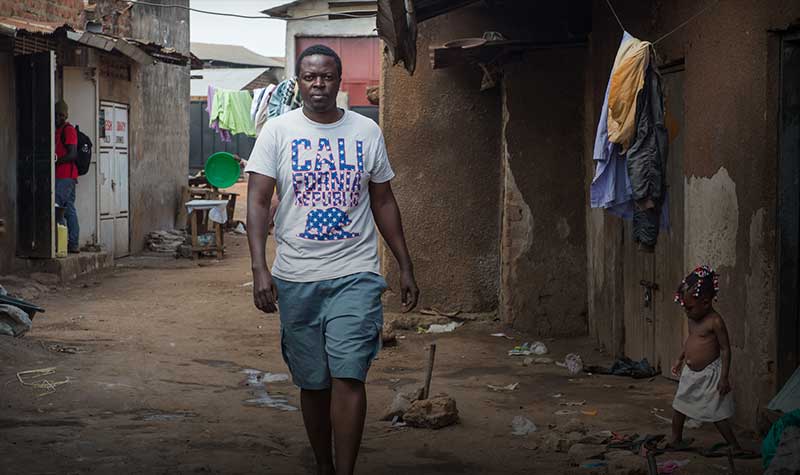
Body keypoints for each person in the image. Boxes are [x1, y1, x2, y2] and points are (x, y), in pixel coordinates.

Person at [245, 45, 419, 475]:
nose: (318, 85)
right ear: (298, 82)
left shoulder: (366, 132)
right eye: (309, 77)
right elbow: (258, 201)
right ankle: (324, 465)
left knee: (349, 374)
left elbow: (383, 200)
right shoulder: (277, 132)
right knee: (314, 383)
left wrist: (405, 264)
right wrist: (259, 269)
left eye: (326, 77)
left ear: (339, 81)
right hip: (297, 277)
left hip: (355, 273)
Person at [668, 265, 756, 458]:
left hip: (710, 374)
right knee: (680, 405)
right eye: (684, 306)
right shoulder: (693, 318)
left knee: (716, 410)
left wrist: (724, 377)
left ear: (706, 303)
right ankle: (676, 439)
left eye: (689, 307)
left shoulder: (715, 321)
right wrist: (680, 359)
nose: (686, 311)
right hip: (690, 373)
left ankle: (733, 445)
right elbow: (690, 341)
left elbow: (725, 349)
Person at [55, 100, 80, 253]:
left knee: (58, 209)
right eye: (57, 114)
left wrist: (56, 160)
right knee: (69, 210)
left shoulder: (68, 130)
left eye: (61, 115)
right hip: (63, 176)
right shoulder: (58, 130)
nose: (58, 117)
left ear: (65, 115)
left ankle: (62, 244)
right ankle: (72, 244)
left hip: (66, 177)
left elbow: (72, 154)